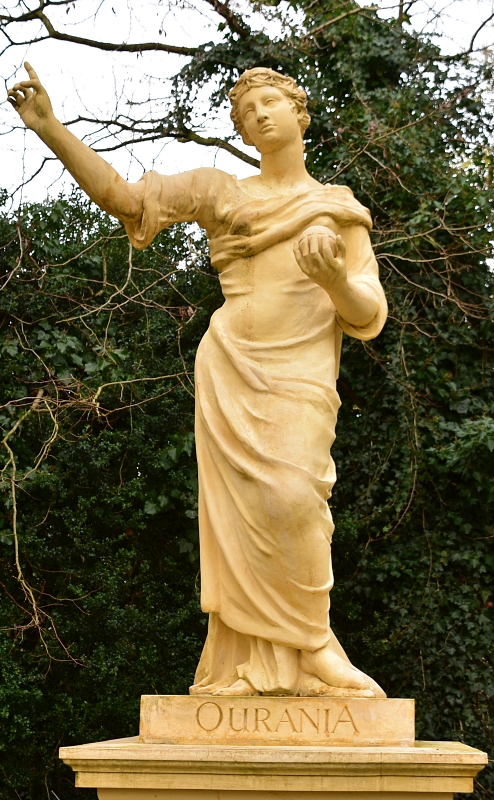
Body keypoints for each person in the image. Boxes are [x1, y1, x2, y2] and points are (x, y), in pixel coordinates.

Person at [8, 64, 387, 697]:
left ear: (301, 114)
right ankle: (274, 659)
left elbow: (368, 313)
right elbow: (128, 200)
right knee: (245, 519)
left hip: (301, 373)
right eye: (246, 113)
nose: (260, 115)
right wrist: (51, 129)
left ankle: (313, 645)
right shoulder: (222, 193)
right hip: (232, 365)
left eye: (272, 103)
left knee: (296, 500)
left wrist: (334, 281)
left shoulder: (338, 207)